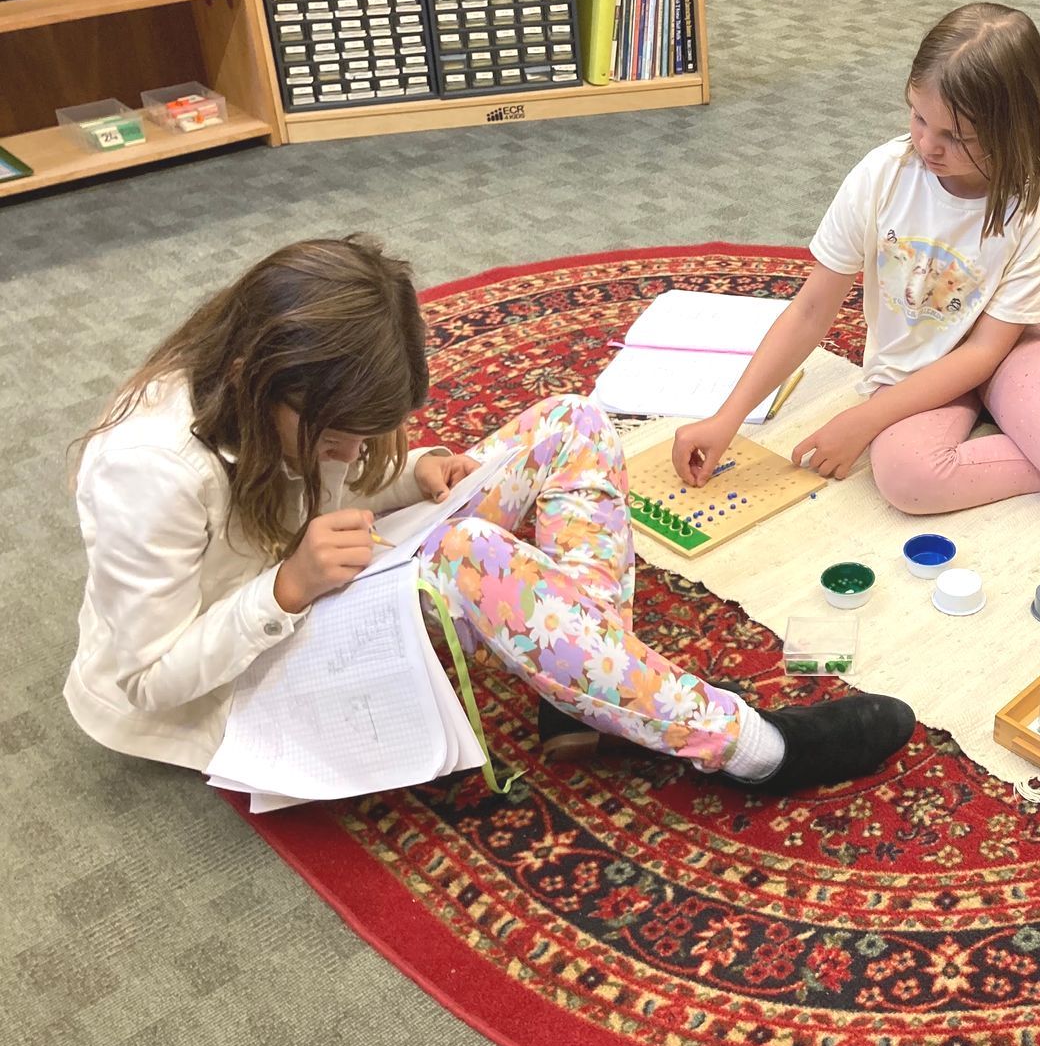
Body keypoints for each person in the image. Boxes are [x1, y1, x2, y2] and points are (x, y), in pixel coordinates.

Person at [66, 236, 913, 796]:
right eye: (343, 437)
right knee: (472, 554)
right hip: (239, 671)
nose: (355, 454)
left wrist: (405, 480)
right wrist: (281, 592)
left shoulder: (274, 402)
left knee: (571, 421)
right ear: (266, 387)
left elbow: (324, 495)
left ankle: (587, 694)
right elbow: (146, 684)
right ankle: (755, 749)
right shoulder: (146, 469)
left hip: (316, 575)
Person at [673, 2, 1040, 513]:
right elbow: (808, 311)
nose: (927, 144)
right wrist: (728, 420)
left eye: (956, 135)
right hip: (921, 368)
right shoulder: (881, 176)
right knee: (905, 477)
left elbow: (983, 352)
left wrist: (867, 418)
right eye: (918, 116)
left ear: (1012, 129)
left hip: (998, 351)